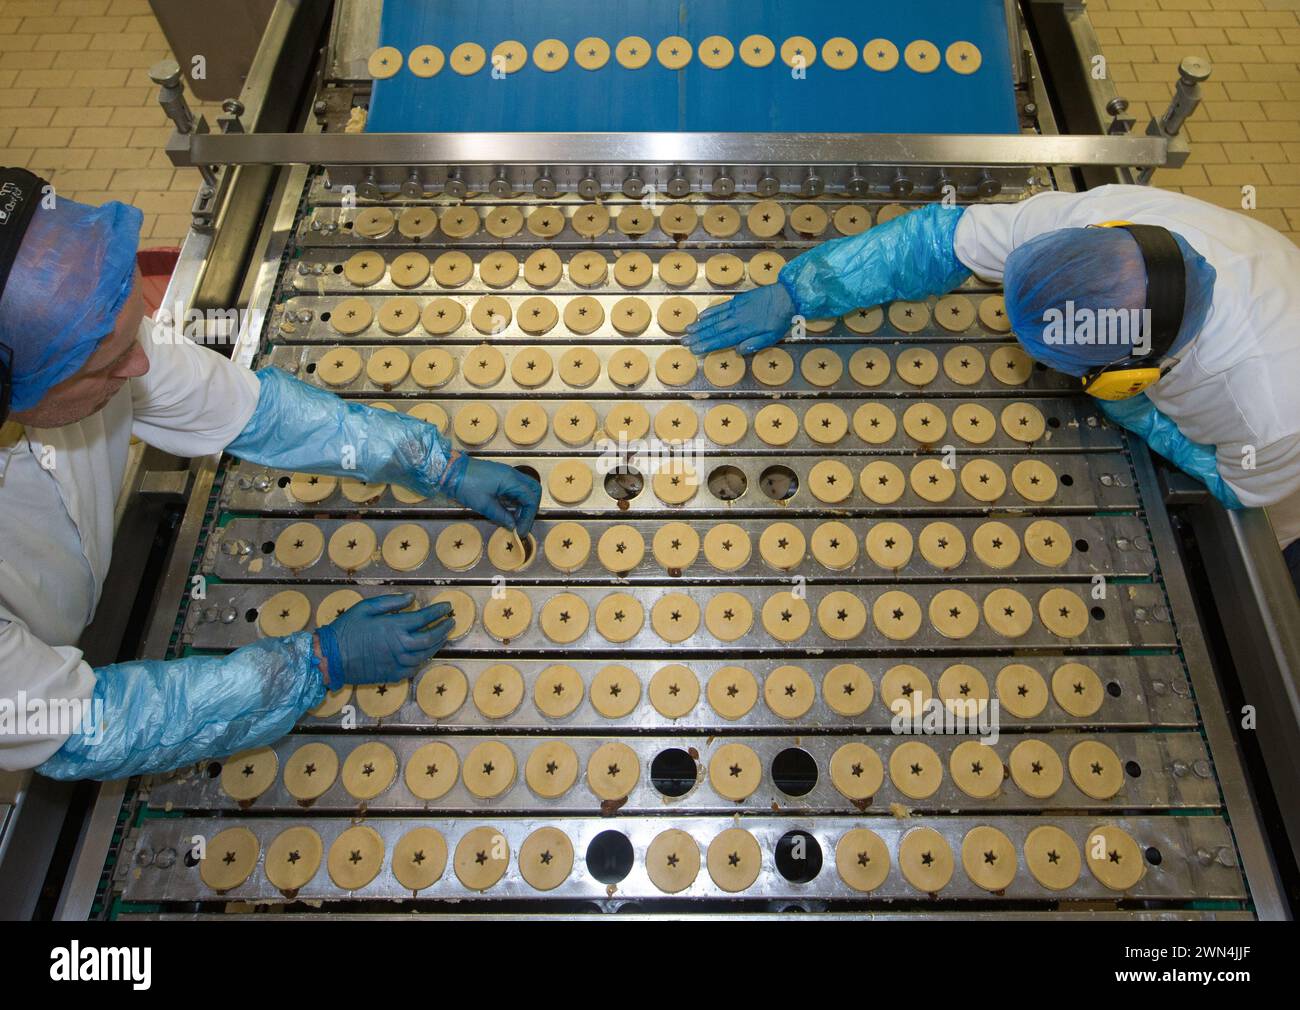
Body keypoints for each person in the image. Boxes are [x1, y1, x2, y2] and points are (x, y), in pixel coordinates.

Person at [0, 168, 540, 779]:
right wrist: (312, 665)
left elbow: (265, 416)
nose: (142, 364)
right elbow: (83, 729)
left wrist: (442, 466)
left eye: (133, 336)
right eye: (108, 363)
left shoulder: (85, 344)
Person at [684, 184, 1300, 585]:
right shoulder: (1093, 229)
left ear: (1127, 372)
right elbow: (931, 243)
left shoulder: (1269, 411)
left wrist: (1139, 414)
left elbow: (1238, 484)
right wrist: (799, 290)